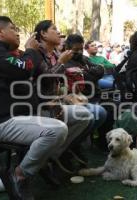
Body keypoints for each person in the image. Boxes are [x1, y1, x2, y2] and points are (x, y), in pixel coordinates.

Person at [0, 16, 77, 199]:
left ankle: (43, 161)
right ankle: (20, 174)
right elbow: (24, 68)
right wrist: (31, 51)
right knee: (56, 130)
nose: (18, 32)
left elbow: (29, 82)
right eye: (13, 29)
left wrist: (48, 104)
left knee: (76, 117)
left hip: (19, 117)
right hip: (1, 122)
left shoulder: (3, 53)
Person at [33, 20, 92, 171]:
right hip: (41, 106)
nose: (59, 32)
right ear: (43, 34)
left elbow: (60, 83)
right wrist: (61, 63)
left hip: (57, 102)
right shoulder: (36, 53)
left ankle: (56, 153)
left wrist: (66, 95)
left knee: (86, 114)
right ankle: (55, 154)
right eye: (55, 29)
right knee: (85, 114)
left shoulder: (54, 53)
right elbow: (45, 79)